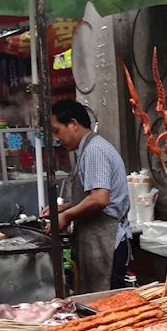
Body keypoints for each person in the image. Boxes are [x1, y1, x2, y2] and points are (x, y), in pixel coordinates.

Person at [44, 99, 131, 293]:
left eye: (56, 130)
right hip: (98, 241)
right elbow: (92, 195)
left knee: (108, 304)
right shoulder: (87, 149)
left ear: (74, 124)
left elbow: (100, 199)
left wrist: (66, 217)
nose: (55, 138)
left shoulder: (94, 150)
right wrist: (65, 207)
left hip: (106, 242)